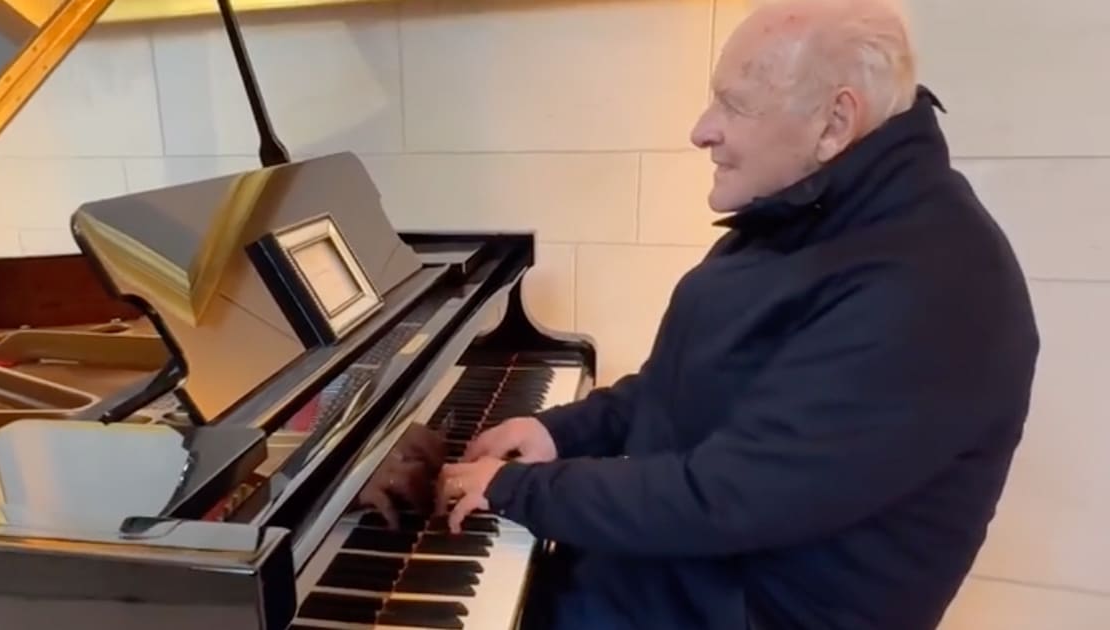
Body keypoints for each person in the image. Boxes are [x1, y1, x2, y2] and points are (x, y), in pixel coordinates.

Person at [434, 0, 1040, 628]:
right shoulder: (808, 214)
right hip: (689, 578)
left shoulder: (927, 284)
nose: (701, 130)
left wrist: (517, 490)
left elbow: (726, 497)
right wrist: (563, 432)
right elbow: (686, 386)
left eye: (735, 105)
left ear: (834, 122)